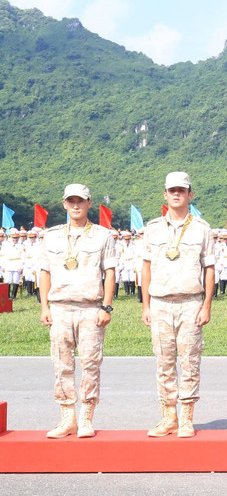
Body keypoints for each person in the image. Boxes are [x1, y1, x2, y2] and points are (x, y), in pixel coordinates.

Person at [38, 184, 118, 438]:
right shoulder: (50, 236)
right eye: (71, 200)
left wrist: (106, 306)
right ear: (64, 204)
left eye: (80, 201)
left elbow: (110, 272)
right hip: (60, 307)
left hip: (90, 308)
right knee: (61, 364)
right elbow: (44, 272)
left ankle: (86, 416)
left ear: (89, 203)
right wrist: (44, 307)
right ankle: (66, 417)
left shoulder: (103, 236)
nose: (75, 205)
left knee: (91, 363)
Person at [140, 172, 216, 438]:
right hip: (160, 302)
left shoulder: (201, 229)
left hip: (190, 302)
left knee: (190, 360)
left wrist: (206, 305)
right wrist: (145, 305)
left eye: (181, 191)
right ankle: (167, 416)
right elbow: (146, 268)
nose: (176, 194)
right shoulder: (152, 228)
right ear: (165, 194)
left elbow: (209, 269)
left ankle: (186, 417)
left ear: (190, 195)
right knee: (163, 361)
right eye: (172, 190)